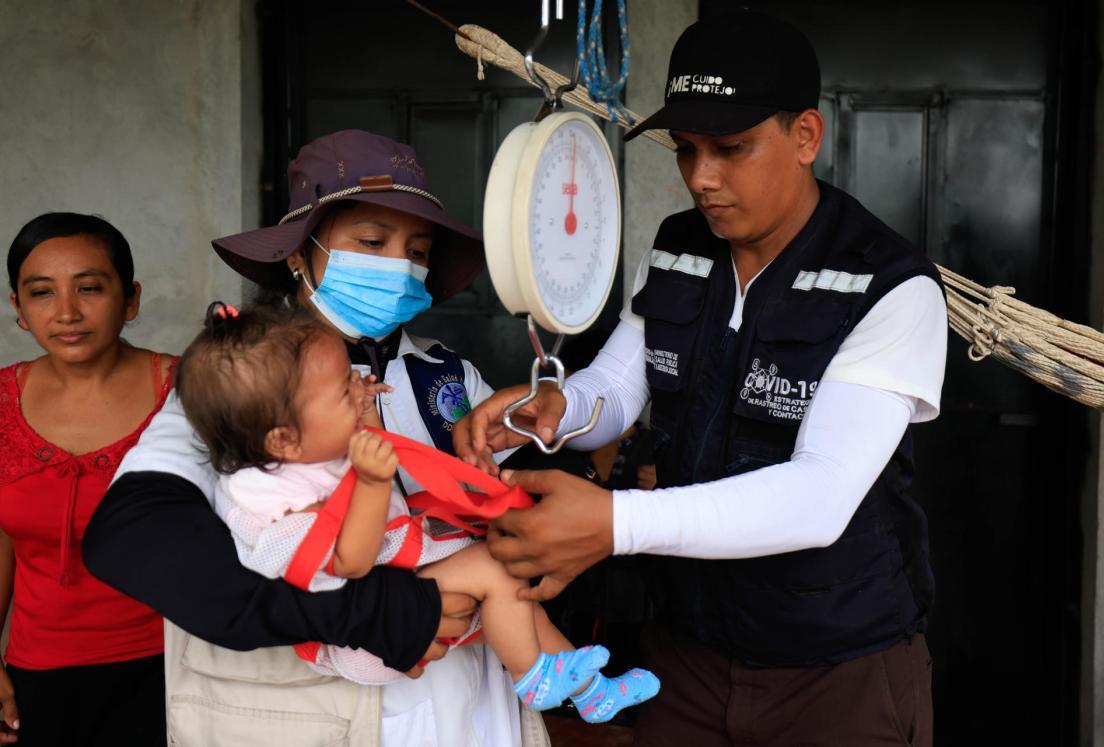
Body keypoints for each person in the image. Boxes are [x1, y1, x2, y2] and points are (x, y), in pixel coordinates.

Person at [455, 9, 946, 746]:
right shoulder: (680, 247)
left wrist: (611, 526)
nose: (701, 178)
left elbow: (819, 496)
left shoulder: (888, 284)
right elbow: (620, 388)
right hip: (684, 659)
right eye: (685, 150)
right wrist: (552, 405)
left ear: (805, 136)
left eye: (731, 148)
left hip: (836, 673)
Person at [81, 131, 549, 746]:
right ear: (301, 253)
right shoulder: (237, 386)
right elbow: (131, 538)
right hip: (322, 711)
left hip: (471, 698)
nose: (398, 265)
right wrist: (370, 609)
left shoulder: (448, 374)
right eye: (372, 242)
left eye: (417, 249)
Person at [174, 301, 657, 721]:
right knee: (499, 571)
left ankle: (592, 693)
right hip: (369, 634)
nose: (360, 389)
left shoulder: (303, 449)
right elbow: (352, 562)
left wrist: (360, 411)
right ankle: (531, 675)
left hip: (407, 586)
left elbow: (357, 444)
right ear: (282, 437)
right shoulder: (268, 498)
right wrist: (371, 481)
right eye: (345, 391)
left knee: (519, 599)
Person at [0, 213, 175, 745]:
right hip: (37, 678)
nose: (67, 313)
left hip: (176, 668)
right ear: (20, 310)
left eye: (90, 288)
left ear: (130, 299)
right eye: (42, 293)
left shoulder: (189, 391)